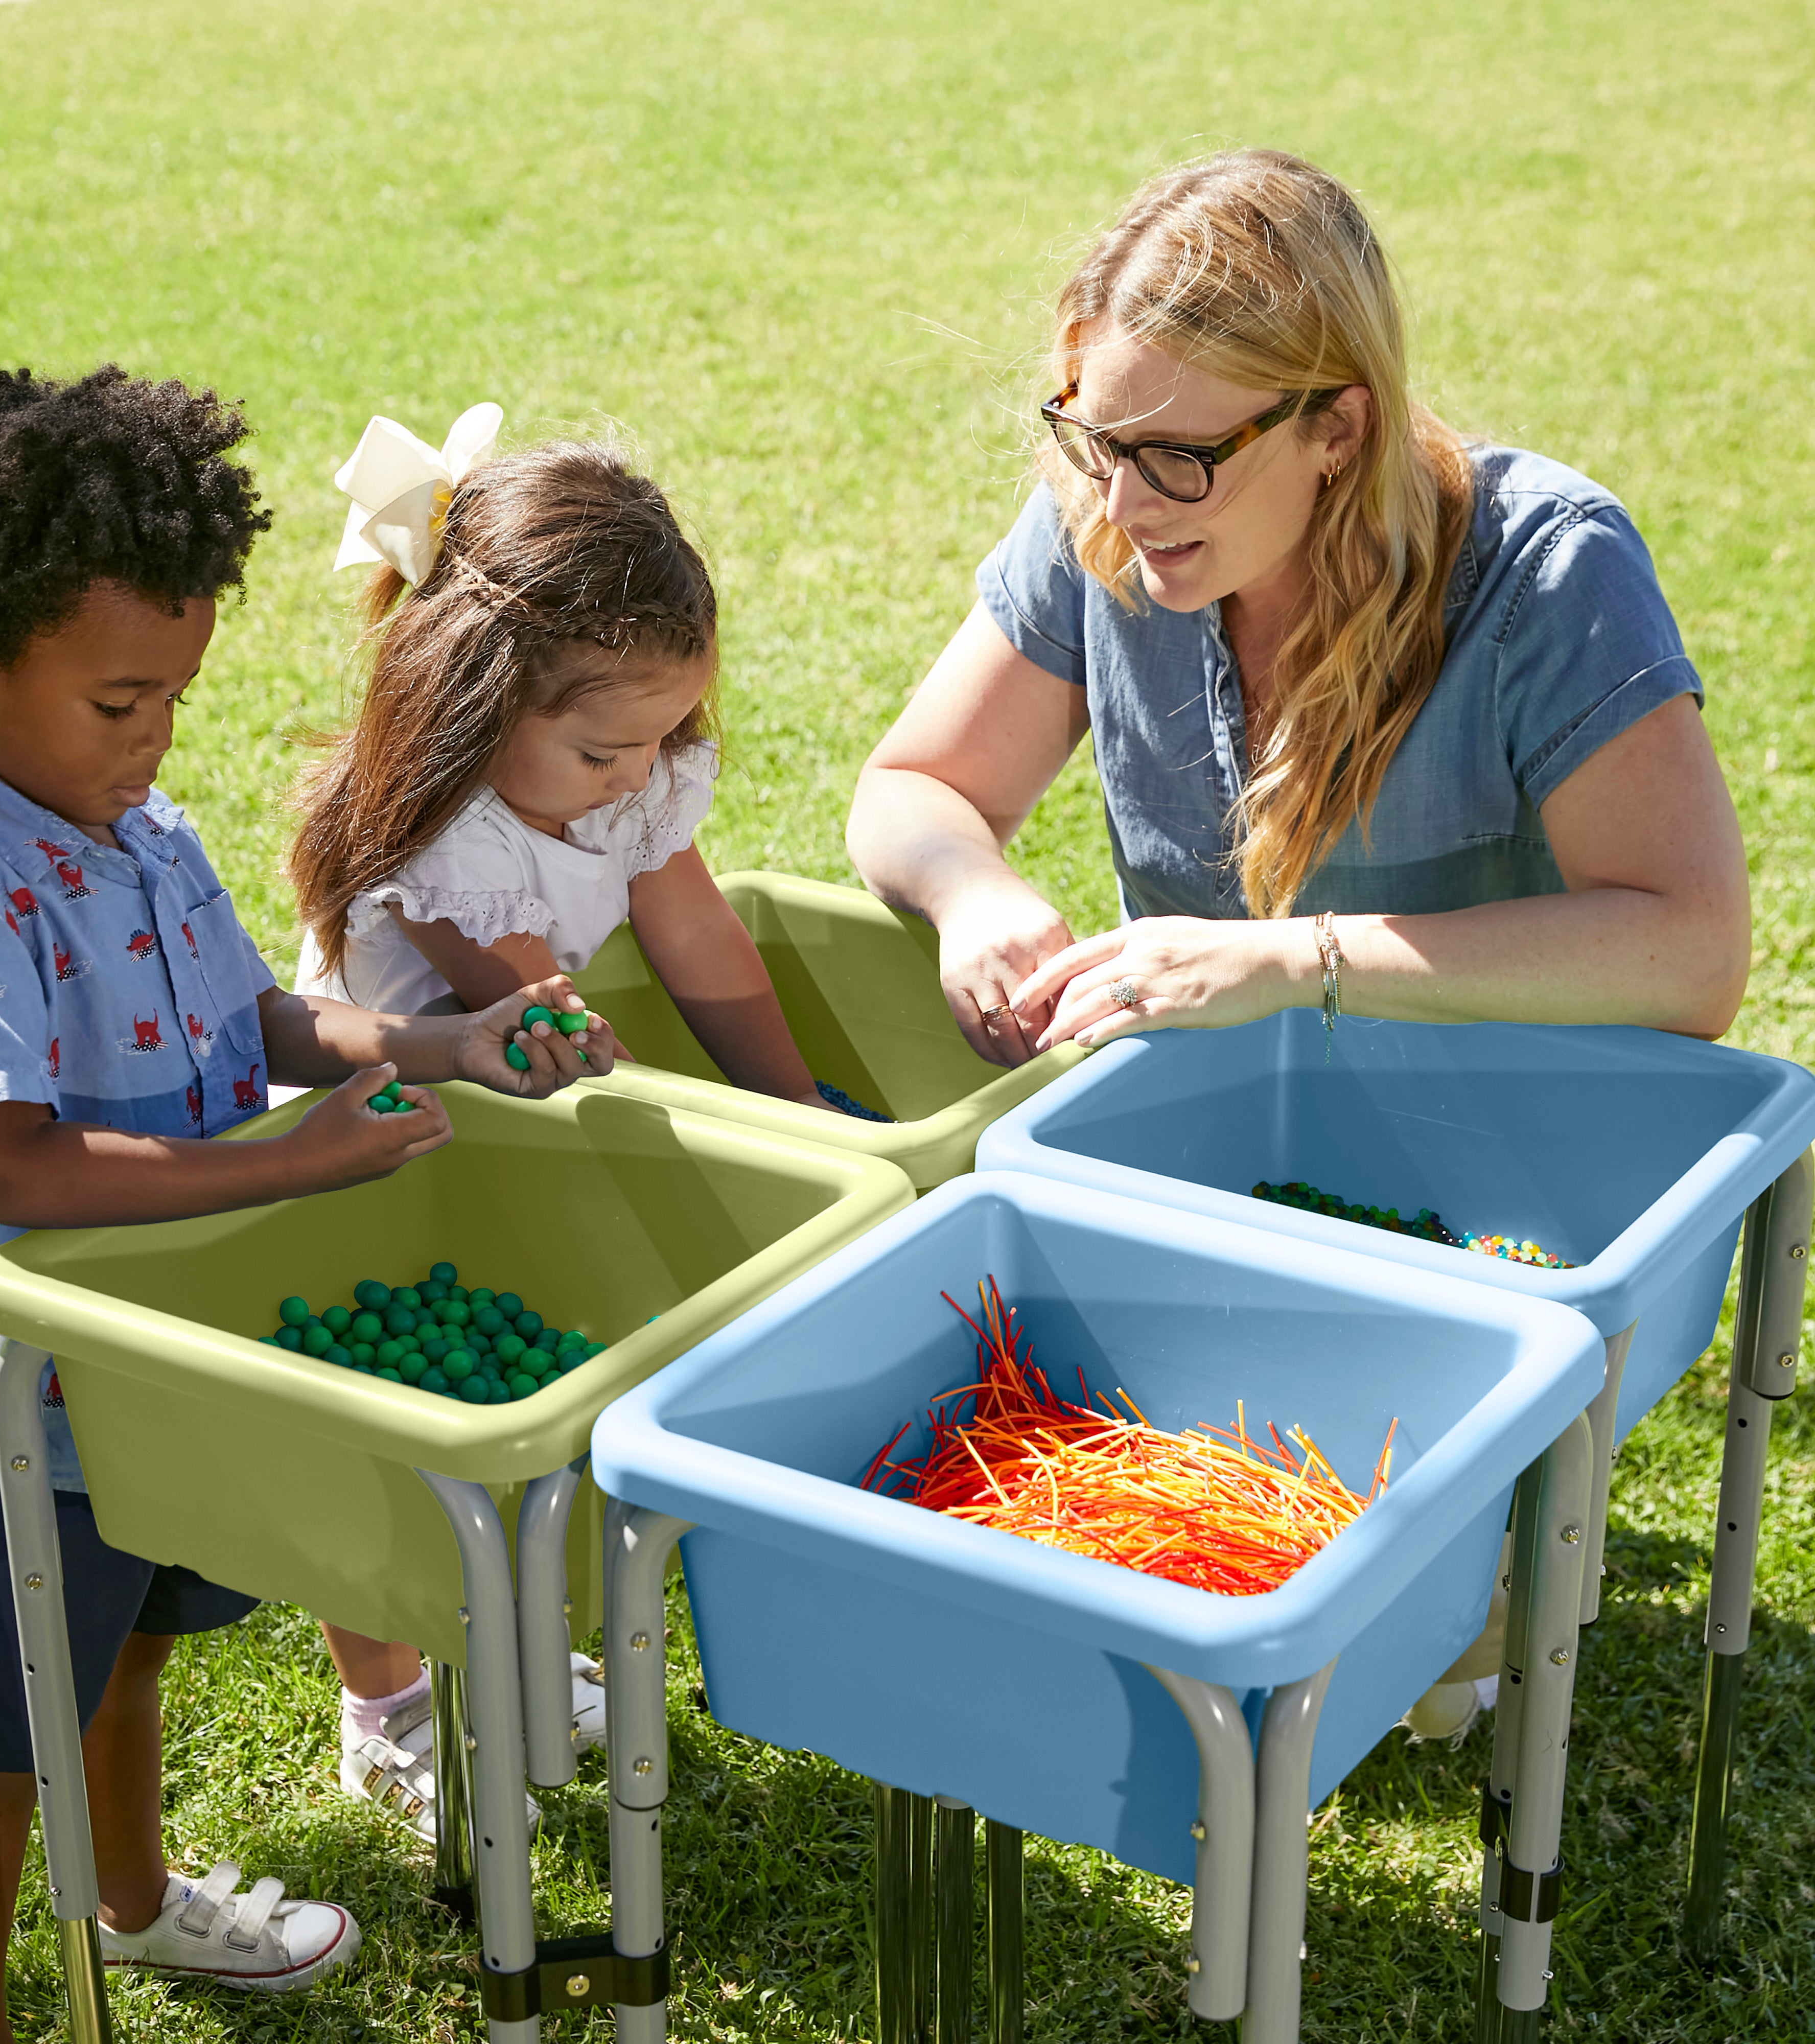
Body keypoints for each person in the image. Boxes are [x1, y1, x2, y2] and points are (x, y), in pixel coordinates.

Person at [845, 150, 1750, 1732]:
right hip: (1219, 1164)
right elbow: (913, 787)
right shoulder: (1112, 524)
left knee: (1411, 1665)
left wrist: (1300, 957)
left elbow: (1688, 951)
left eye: (1180, 457)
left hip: (1492, 1202)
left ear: (1337, 425)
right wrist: (972, 895)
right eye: (1095, 438)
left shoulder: (1546, 571)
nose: (1123, 507)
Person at [0, 365, 613, 2042]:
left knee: (127, 1652)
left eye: (172, 695)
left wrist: (440, 1038)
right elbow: (12, 1163)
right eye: (120, 702)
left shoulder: (140, 824)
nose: (157, 736)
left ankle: (132, 1903)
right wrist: (284, 1163)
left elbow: (255, 1020)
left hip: (146, 1371)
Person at [286, 410, 855, 1838]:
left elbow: (703, 942)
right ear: (478, 703)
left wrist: (801, 1103)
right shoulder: (437, 839)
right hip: (392, 1131)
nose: (641, 776)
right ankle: (389, 1706)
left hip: (522, 1120)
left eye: (666, 739)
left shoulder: (622, 780)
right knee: (393, 1421)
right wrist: (708, 1134)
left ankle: (515, 1641)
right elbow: (531, 1003)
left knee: (515, 1384)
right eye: (609, 748)